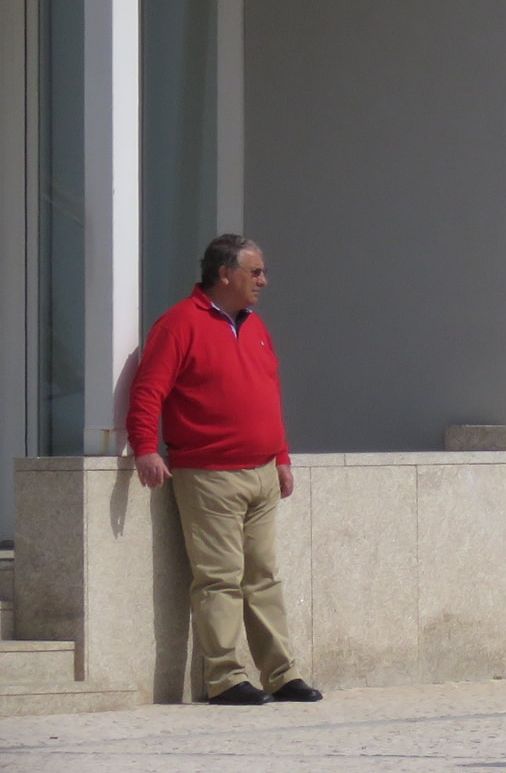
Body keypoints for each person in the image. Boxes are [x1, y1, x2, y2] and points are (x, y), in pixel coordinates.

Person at [128, 234, 322, 707]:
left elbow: (268, 393)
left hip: (262, 473)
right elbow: (147, 390)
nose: (264, 281)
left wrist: (281, 456)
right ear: (225, 274)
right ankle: (224, 678)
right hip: (209, 474)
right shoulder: (178, 325)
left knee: (264, 576)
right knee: (219, 577)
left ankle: (281, 674)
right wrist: (145, 449)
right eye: (255, 272)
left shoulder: (255, 326)